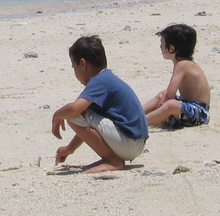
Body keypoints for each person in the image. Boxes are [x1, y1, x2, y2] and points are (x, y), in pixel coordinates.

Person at [51, 35, 148, 173]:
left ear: (83, 64)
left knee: (72, 114)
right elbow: (88, 125)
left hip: (130, 141)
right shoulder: (105, 78)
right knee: (82, 114)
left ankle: (113, 161)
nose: (75, 72)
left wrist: (57, 115)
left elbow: (75, 110)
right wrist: (69, 149)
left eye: (74, 67)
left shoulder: (99, 81)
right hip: (133, 142)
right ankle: (110, 158)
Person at [142, 24, 210, 128]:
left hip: (200, 113)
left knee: (170, 104)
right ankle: (136, 115)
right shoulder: (183, 63)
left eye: (162, 43)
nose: (160, 46)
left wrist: (161, 106)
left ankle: (138, 123)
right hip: (189, 106)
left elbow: (170, 95)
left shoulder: (183, 65)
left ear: (172, 48)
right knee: (162, 94)